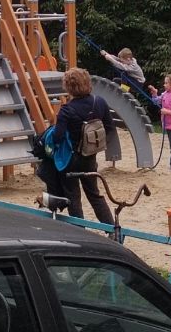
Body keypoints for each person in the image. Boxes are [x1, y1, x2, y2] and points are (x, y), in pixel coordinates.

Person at [53, 67, 115, 224]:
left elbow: (57, 137)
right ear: (88, 83)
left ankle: (80, 231)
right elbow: (109, 128)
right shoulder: (99, 102)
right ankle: (111, 229)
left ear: (68, 87)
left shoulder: (67, 109)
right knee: (94, 195)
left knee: (73, 197)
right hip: (89, 156)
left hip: (71, 159)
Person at [148, 72, 171, 173]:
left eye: (166, 83)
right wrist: (154, 93)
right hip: (168, 124)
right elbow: (156, 101)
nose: (164, 85)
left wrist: (166, 111)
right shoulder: (165, 93)